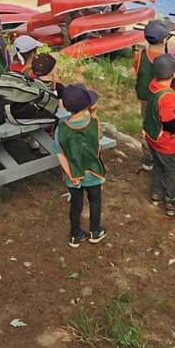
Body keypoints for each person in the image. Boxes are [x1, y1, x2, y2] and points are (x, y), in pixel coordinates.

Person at [54, 84, 106, 248]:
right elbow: (98, 136)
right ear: (87, 105)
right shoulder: (94, 123)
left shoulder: (61, 129)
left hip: (74, 175)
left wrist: (70, 174)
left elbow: (60, 154)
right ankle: (95, 232)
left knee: (76, 205)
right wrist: (93, 113)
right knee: (95, 201)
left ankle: (76, 235)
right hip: (94, 172)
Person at [143, 52, 175, 216]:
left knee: (158, 166)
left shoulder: (153, 84)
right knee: (172, 170)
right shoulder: (167, 96)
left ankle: (156, 194)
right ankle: (172, 202)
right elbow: (168, 120)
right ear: (174, 74)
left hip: (152, 136)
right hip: (164, 140)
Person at [132, 19, 171, 171]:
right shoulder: (165, 61)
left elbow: (138, 72)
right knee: (163, 129)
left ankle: (148, 160)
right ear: (164, 40)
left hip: (145, 99)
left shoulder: (139, 55)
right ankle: (161, 159)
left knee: (147, 127)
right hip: (162, 100)